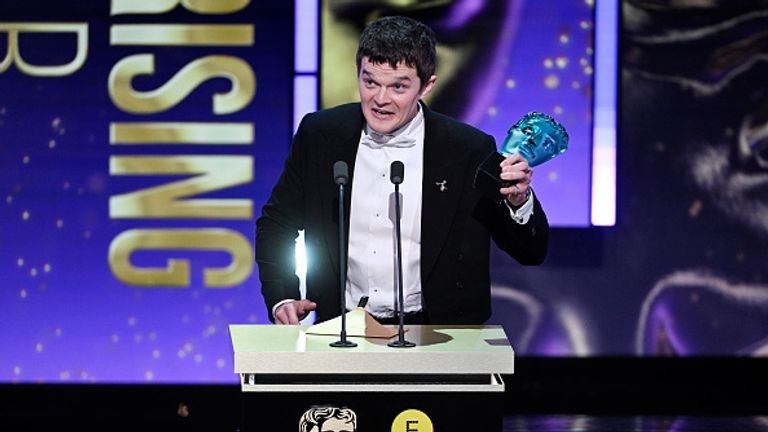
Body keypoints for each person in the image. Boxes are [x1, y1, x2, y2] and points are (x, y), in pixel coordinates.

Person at [256, 16, 548, 325]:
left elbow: (530, 252)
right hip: (342, 329)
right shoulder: (320, 135)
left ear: (427, 86)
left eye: (398, 86)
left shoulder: (468, 149)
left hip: (441, 333)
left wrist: (518, 202)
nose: (380, 100)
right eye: (370, 82)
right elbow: (277, 223)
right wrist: (282, 296)